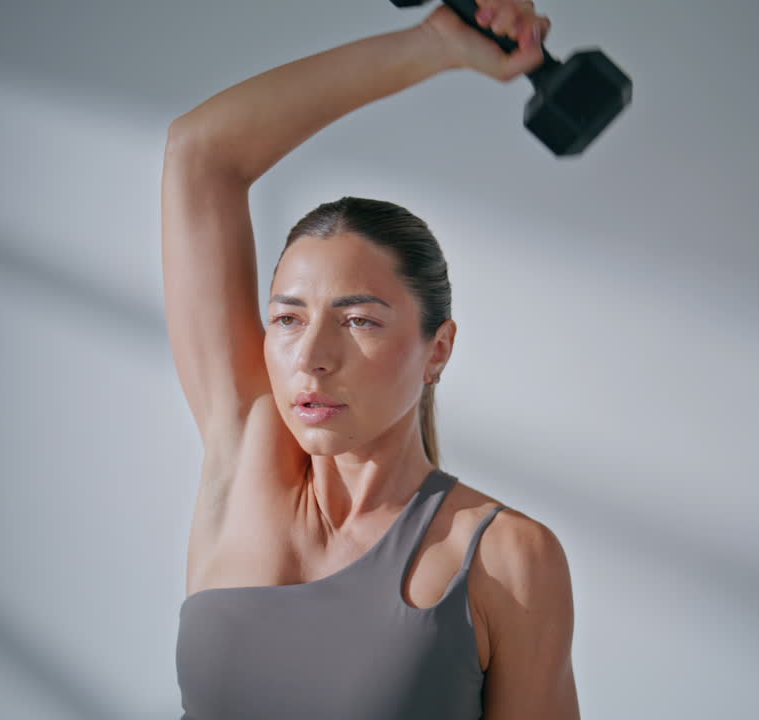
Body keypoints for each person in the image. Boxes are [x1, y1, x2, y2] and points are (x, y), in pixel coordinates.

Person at [162, 1, 577, 717]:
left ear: (436, 350)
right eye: (288, 319)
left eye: (358, 320)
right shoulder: (243, 458)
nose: (312, 358)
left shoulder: (506, 559)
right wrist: (432, 46)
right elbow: (200, 154)